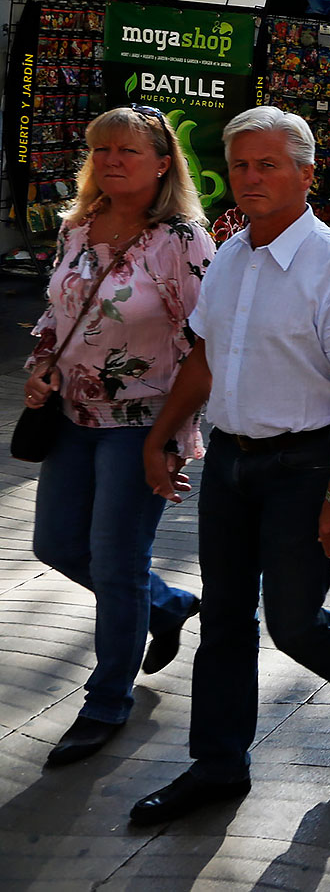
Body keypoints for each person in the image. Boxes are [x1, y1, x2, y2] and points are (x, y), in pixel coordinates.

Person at [130, 108, 330, 824]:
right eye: (240, 164)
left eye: (267, 164)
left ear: (306, 175)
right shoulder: (232, 256)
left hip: (304, 466)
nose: (250, 177)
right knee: (224, 618)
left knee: (293, 622)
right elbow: (206, 357)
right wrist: (162, 435)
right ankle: (218, 765)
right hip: (230, 463)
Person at [25, 106, 213, 766]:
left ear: (163, 162)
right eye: (100, 148)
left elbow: (204, 345)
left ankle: (106, 700)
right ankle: (161, 604)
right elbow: (58, 308)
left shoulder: (182, 240)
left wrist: (169, 436)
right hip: (73, 419)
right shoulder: (79, 225)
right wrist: (43, 362)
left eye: (126, 151)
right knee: (55, 543)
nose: (109, 160)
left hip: (141, 425)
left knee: (115, 560)